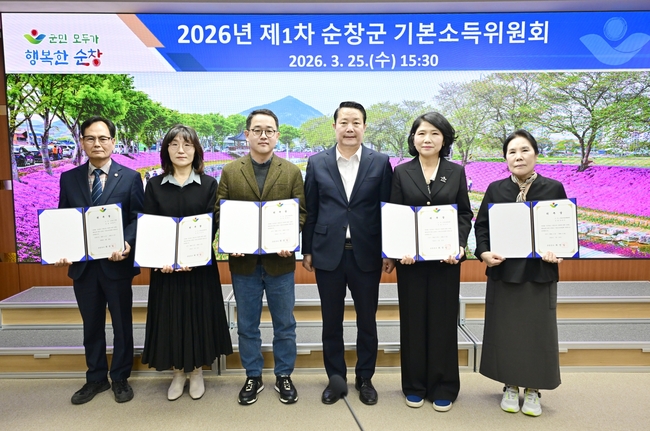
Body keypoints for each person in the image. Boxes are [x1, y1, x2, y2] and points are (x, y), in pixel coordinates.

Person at [302, 101, 393, 406]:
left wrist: (389, 251)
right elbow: (311, 209)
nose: (350, 128)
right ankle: (336, 379)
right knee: (331, 322)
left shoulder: (380, 163)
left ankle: (365, 378)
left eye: (356, 122)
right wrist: (307, 249)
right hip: (328, 254)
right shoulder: (317, 163)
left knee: (367, 321)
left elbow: (387, 211)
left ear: (364, 127)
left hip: (366, 254)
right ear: (335, 127)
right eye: (344, 122)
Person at [214, 109, 306, 405]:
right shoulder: (231, 171)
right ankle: (253, 375)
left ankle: (284, 374)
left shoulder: (291, 171)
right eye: (257, 130)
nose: (263, 135)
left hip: (280, 262)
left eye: (269, 130)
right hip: (244, 264)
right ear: (247, 134)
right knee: (247, 325)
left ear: (277, 135)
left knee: (285, 324)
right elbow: (220, 211)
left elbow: (301, 213)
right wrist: (231, 239)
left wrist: (289, 238)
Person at [474, 129, 566, 417]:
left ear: (535, 154)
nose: (518, 156)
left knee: (538, 332)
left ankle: (534, 388)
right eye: (512, 152)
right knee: (506, 332)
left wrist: (559, 250)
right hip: (504, 272)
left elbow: (562, 229)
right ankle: (511, 385)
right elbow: (482, 227)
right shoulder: (496, 189)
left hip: (540, 273)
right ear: (505, 158)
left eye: (524, 150)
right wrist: (483, 253)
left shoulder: (553, 188)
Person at [56, 116, 144, 404]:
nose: (97, 143)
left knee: (121, 324)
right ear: (82, 141)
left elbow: (137, 217)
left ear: (113, 142)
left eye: (103, 138)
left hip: (117, 264)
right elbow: (64, 219)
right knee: (91, 325)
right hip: (83, 268)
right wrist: (61, 248)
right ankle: (95, 378)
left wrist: (127, 242)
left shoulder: (130, 177)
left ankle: (120, 377)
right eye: (91, 138)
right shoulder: (69, 178)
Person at [140, 125, 233, 401]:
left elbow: (211, 225)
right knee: (170, 318)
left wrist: (194, 256)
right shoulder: (154, 185)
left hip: (199, 267)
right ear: (166, 150)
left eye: (187, 145)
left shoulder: (209, 184)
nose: (181, 150)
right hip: (165, 269)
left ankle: (197, 372)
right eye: (174, 144)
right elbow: (151, 227)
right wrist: (161, 259)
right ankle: (178, 373)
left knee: (198, 318)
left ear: (196, 150)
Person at [389, 112, 473, 412]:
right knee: (413, 323)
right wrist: (398, 250)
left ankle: (444, 386)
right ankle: (414, 385)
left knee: (443, 323)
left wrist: (459, 245)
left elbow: (464, 213)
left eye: (435, 133)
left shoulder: (456, 171)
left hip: (445, 262)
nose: (427, 139)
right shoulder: (401, 172)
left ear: (444, 139)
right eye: (422, 133)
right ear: (413, 138)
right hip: (410, 263)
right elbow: (395, 214)